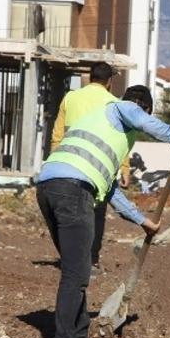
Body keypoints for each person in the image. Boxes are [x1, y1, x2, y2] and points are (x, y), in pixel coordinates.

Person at [36, 85, 170, 338]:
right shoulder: (121, 108)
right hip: (73, 190)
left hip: (49, 187)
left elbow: (109, 190)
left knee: (76, 268)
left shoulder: (102, 128)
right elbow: (144, 120)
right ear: (145, 108)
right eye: (146, 115)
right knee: (76, 273)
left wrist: (143, 221)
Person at [49, 62, 132, 277]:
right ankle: (92, 260)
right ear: (109, 82)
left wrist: (54, 160)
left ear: (89, 77)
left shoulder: (70, 98)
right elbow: (121, 141)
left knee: (67, 214)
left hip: (68, 163)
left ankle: (70, 258)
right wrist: (125, 168)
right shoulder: (115, 104)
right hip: (99, 167)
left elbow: (57, 134)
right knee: (96, 214)